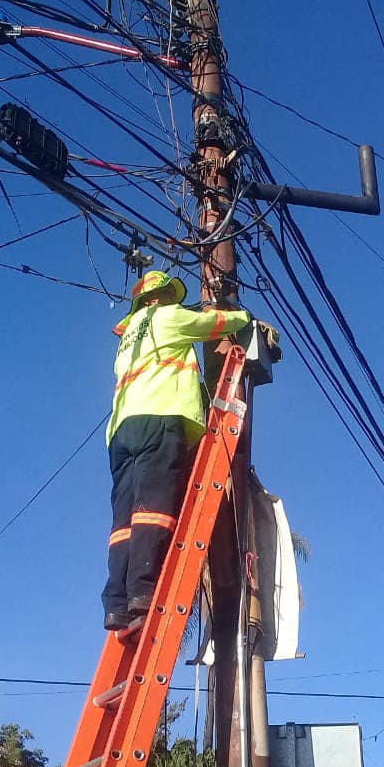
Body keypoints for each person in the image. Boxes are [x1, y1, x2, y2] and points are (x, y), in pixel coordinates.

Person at [103, 270, 252, 630]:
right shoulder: (166, 316)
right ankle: (143, 591)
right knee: (154, 508)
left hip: (122, 431)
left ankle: (116, 602)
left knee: (125, 519)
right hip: (161, 415)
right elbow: (215, 322)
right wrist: (244, 317)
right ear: (162, 296)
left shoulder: (127, 341)